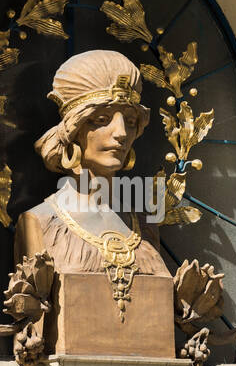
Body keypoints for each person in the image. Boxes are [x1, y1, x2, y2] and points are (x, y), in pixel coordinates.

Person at [14, 48, 170, 318]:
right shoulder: (38, 223)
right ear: (74, 130)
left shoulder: (144, 225)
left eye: (130, 122)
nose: (121, 133)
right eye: (102, 120)